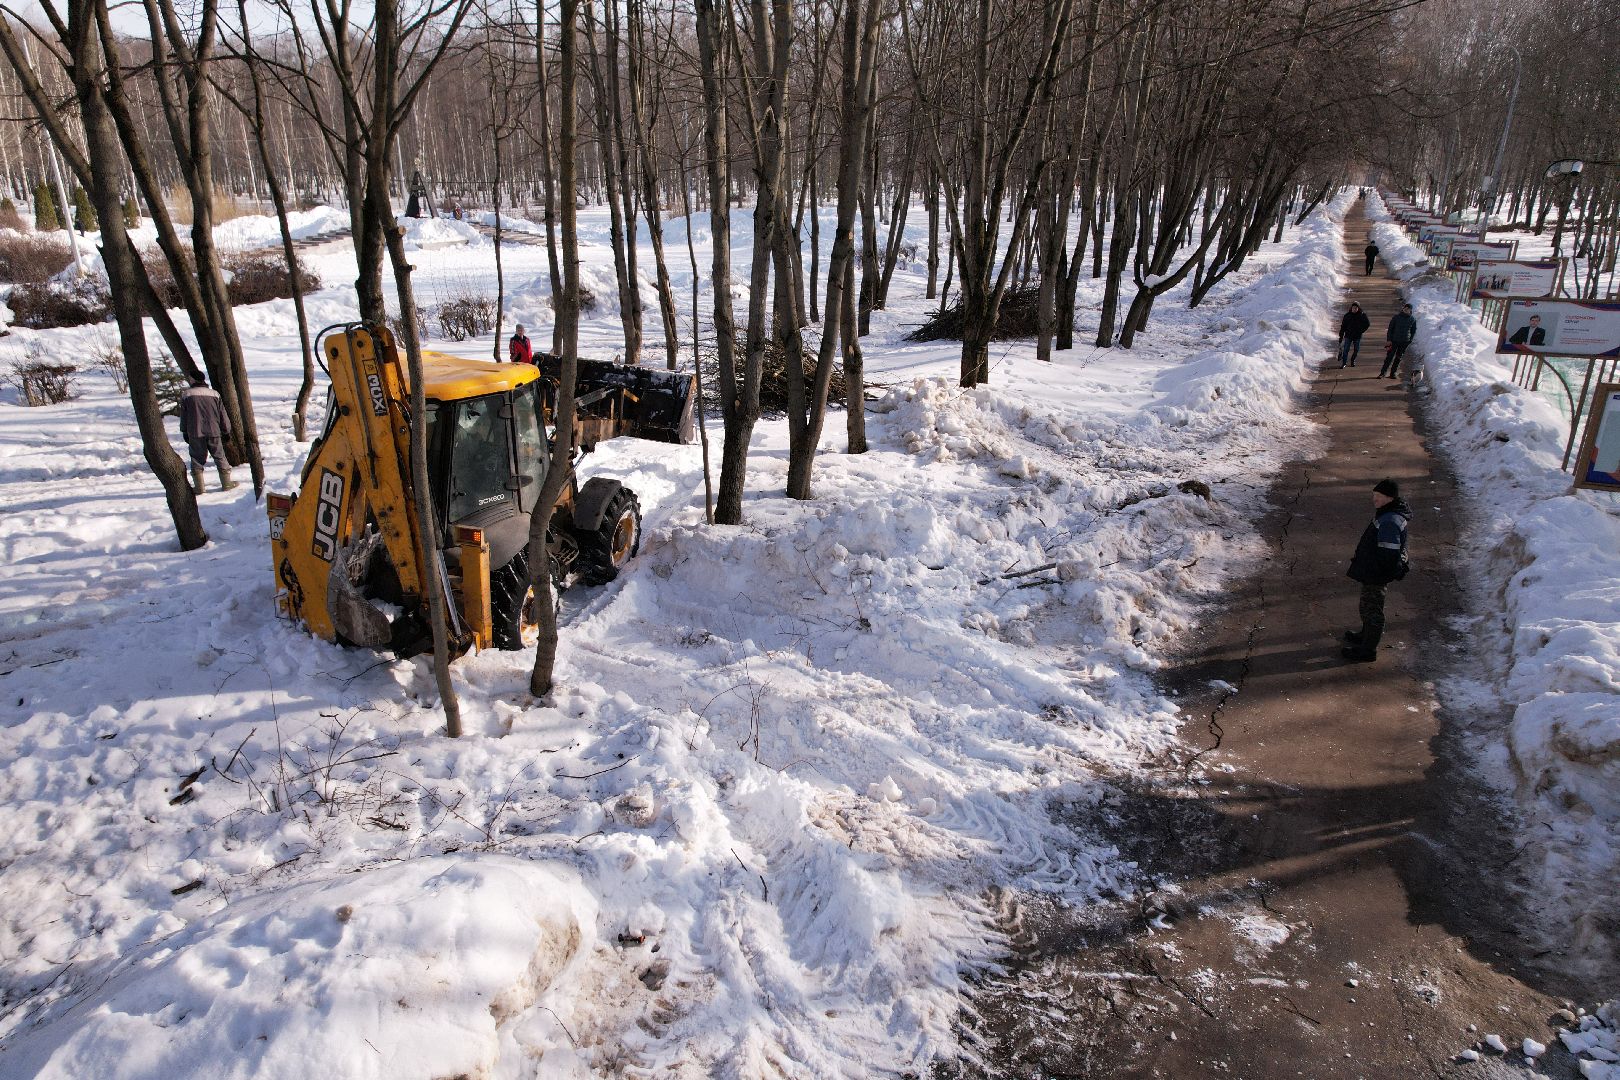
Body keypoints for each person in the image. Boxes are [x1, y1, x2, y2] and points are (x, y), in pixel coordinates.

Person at [1342, 479, 1410, 662]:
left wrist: (1377, 571)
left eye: (1378, 497)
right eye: (1374, 496)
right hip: (1374, 571)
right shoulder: (1388, 513)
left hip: (1376, 574)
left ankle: (1368, 650)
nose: (1374, 500)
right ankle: (1365, 636)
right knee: (1367, 606)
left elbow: (1388, 553)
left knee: (1372, 610)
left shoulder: (1390, 521)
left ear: (1390, 498)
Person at [179, 373, 236, 493]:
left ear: (193, 380)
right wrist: (226, 431)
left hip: (195, 431)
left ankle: (199, 488)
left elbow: (184, 416)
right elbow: (222, 414)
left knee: (196, 458)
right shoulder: (215, 394)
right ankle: (227, 484)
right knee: (220, 456)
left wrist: (184, 431)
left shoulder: (187, 395)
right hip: (214, 430)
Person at [1381, 303, 1417, 378]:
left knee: (1398, 357)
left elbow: (1413, 331)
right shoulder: (1396, 317)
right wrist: (1389, 340)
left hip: (1404, 341)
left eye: (1408, 309)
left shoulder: (1412, 319)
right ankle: (1383, 373)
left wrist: (1410, 340)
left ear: (1410, 310)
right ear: (1403, 309)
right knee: (1389, 357)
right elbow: (1390, 329)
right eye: (1405, 308)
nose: (1406, 310)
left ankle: (1393, 373)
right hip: (1394, 340)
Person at [1337, 302, 1371, 367]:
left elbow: (1367, 324)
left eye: (1356, 308)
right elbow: (1343, 326)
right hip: (1348, 335)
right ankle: (1344, 363)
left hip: (1357, 336)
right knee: (1346, 350)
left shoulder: (1362, 315)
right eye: (1353, 308)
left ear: (1358, 308)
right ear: (1351, 308)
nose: (1354, 309)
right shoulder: (1347, 315)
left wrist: (1361, 331)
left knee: (1356, 350)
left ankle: (1353, 360)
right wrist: (1341, 335)